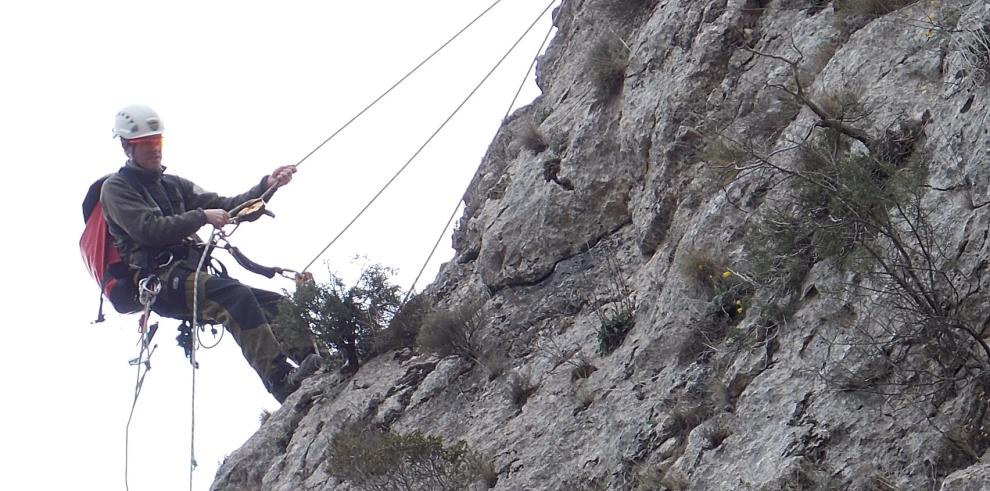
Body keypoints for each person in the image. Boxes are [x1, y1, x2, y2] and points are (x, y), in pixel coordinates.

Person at [100, 104, 321, 403]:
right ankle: (280, 380)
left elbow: (227, 205)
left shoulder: (172, 184)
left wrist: (267, 186)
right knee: (234, 296)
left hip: (189, 273)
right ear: (127, 147)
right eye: (146, 144)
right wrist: (201, 216)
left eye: (158, 142)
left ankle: (317, 362)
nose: (155, 149)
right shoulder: (116, 189)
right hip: (161, 280)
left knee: (275, 303)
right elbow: (148, 230)